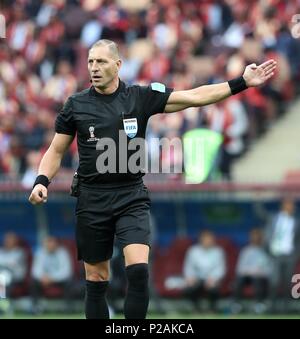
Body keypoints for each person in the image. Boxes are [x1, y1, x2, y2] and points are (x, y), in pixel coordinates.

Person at [28, 39, 277, 319]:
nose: (94, 68)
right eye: (90, 61)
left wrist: (241, 82)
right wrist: (41, 180)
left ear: (118, 65)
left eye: (101, 61)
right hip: (91, 197)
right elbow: (56, 150)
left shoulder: (140, 97)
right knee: (97, 280)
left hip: (130, 195)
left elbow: (194, 96)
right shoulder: (76, 104)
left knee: (138, 271)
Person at [264, 198, 300, 312]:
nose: (292, 208)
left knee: (287, 283)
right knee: (274, 282)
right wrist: (258, 198)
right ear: (283, 207)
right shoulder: (274, 218)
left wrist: (296, 254)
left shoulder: (296, 221)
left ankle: (286, 307)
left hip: (289, 256)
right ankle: (272, 307)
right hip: (275, 254)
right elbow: (259, 212)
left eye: (292, 206)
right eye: (289, 205)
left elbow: (298, 240)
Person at [183, 230, 226, 312]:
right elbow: (188, 267)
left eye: (209, 239)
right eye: (205, 239)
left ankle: (212, 309)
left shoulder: (218, 251)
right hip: (197, 278)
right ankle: (196, 309)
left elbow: (221, 269)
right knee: (190, 288)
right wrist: (190, 277)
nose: (208, 241)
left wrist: (213, 278)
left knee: (213, 288)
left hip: (212, 279)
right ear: (201, 240)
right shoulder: (193, 251)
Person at [231, 228, 271, 313]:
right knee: (239, 280)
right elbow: (239, 269)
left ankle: (259, 305)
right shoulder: (246, 251)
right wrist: (250, 271)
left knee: (257, 279)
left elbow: (269, 269)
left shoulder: (267, 251)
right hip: (247, 276)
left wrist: (259, 272)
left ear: (261, 238)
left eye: (257, 236)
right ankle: (237, 305)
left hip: (261, 277)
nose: (255, 238)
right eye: (253, 236)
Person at [30, 236, 73, 312]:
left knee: (69, 283)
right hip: (44, 280)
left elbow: (66, 271)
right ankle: (35, 308)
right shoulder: (40, 253)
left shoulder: (63, 253)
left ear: (56, 244)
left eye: (51, 243)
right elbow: (35, 271)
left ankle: (68, 308)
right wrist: (43, 277)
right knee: (33, 283)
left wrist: (51, 278)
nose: (49, 246)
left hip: (59, 280)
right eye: (47, 244)